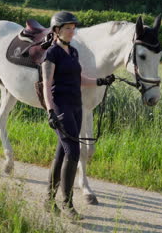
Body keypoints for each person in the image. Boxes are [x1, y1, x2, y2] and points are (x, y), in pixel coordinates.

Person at [42, 11, 115, 220]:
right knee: (73, 152)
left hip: (76, 106)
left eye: (73, 28)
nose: (72, 32)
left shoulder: (72, 52)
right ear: (56, 30)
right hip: (61, 107)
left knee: (61, 154)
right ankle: (67, 204)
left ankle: (48, 199)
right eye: (67, 28)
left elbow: (79, 77)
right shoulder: (51, 54)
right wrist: (50, 110)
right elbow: (47, 85)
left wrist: (100, 81)